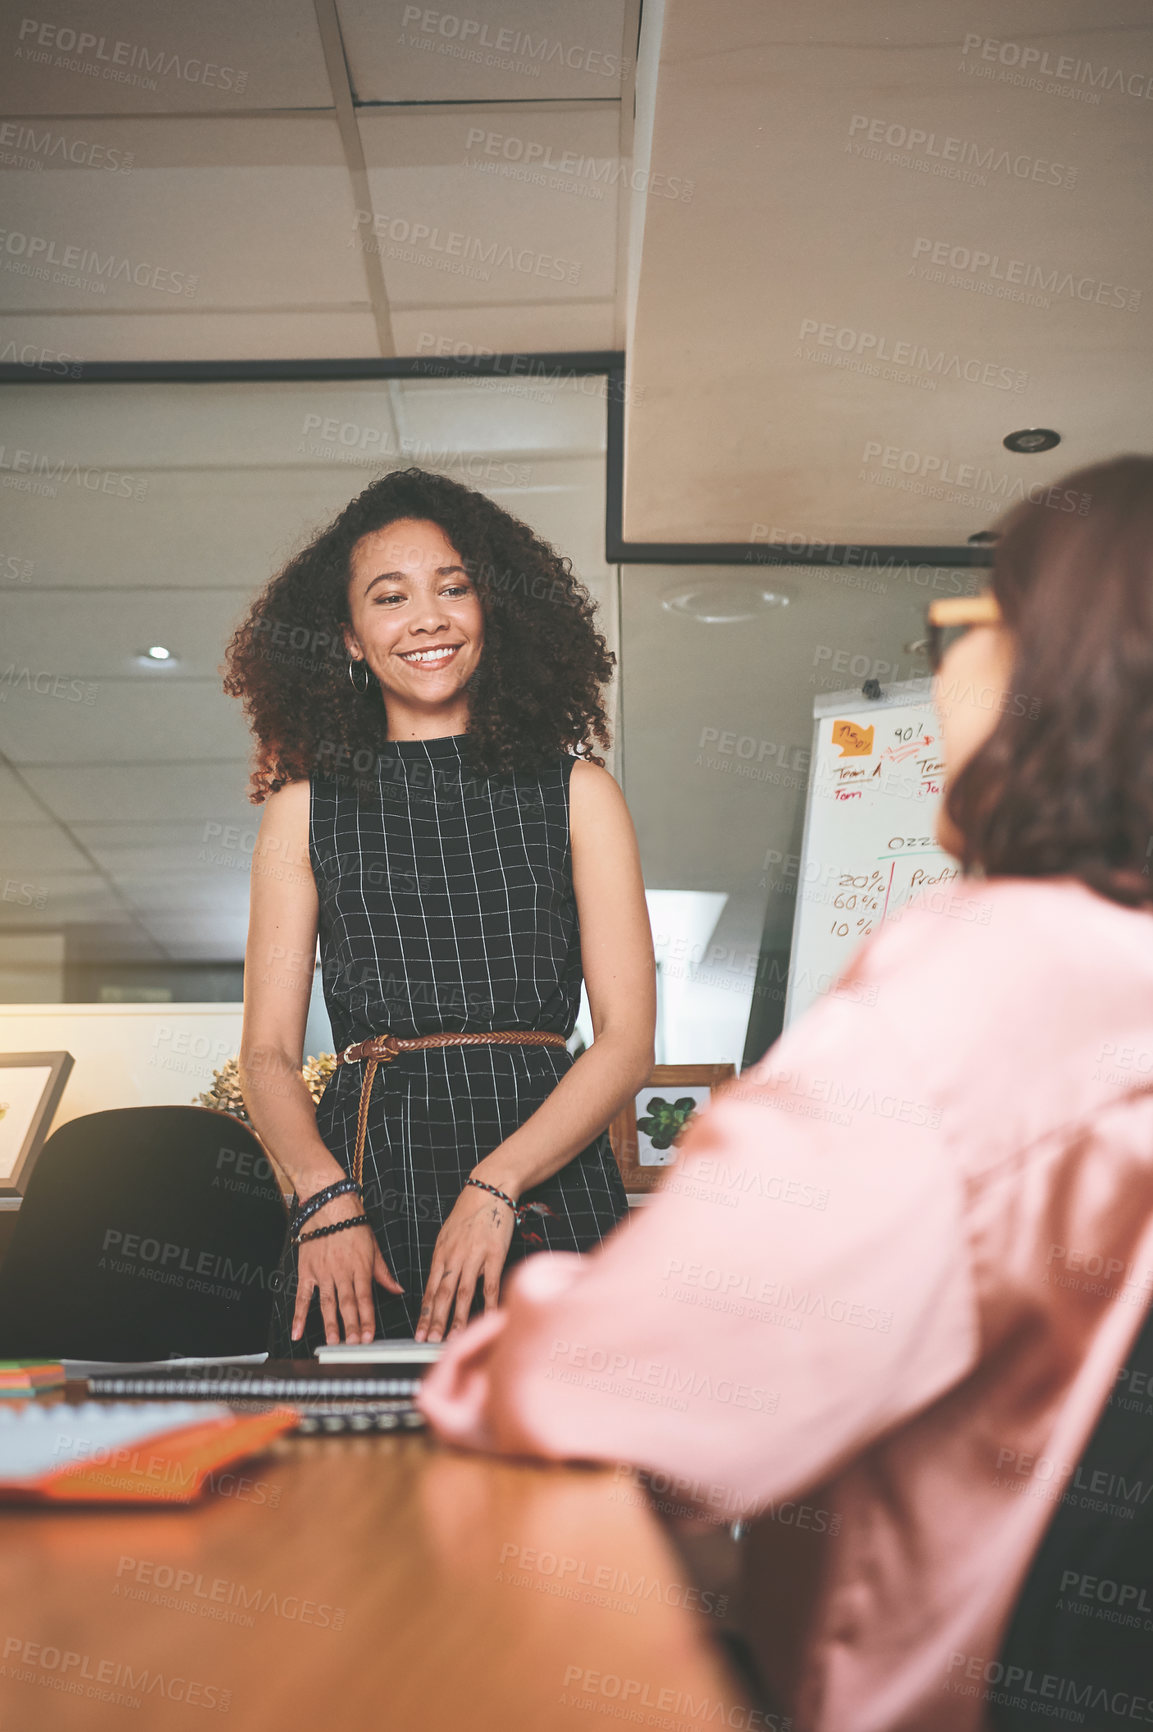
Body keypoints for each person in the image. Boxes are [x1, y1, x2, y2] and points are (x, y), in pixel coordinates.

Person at [419, 456, 1153, 1732]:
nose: (952, 664)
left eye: (973, 616)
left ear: (1068, 667)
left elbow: (611, 1388)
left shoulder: (988, 979)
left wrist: (495, 1338)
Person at [225, 467, 655, 1352]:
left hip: (547, 1175)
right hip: (363, 1191)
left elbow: (623, 1040)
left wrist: (497, 1187)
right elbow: (266, 1053)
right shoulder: (303, 808)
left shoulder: (579, 793)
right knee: (346, 1473)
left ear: (492, 614)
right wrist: (323, 1197)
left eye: (453, 588)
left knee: (566, 1465)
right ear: (347, 638)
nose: (427, 617)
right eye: (391, 598)